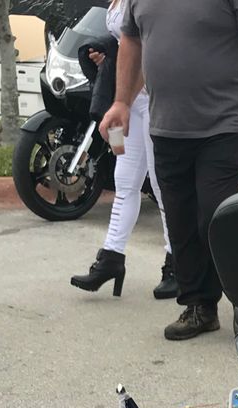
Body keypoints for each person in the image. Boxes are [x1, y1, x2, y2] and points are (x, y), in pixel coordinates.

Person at [100, 0, 238, 341]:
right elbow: (132, 43)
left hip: (226, 125)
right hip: (167, 127)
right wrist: (121, 102)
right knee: (181, 222)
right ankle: (200, 306)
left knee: (217, 215)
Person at [71, 0, 175, 301]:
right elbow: (126, 43)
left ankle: (177, 263)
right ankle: (111, 258)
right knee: (126, 181)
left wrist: (123, 100)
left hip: (154, 95)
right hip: (133, 98)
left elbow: (148, 45)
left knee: (160, 183)